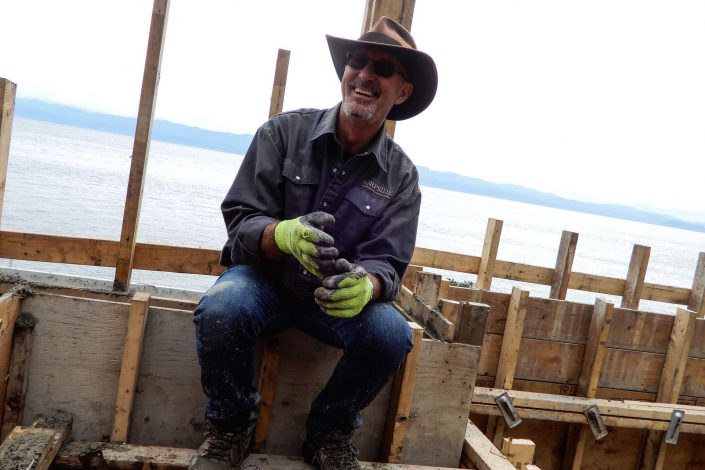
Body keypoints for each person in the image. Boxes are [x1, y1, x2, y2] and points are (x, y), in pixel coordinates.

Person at [189, 16, 437, 470]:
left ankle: (329, 434)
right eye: (357, 61)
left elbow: (387, 264)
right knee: (222, 307)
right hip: (263, 282)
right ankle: (230, 426)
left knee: (390, 334)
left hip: (329, 305)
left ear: (402, 92)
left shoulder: (402, 177)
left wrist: (366, 286)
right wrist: (280, 234)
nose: (364, 75)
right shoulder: (282, 133)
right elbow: (240, 222)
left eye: (382, 68)